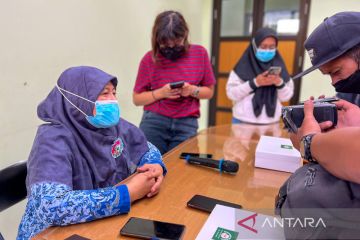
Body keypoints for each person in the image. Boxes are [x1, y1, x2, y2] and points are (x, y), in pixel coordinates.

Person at [17, 66, 167, 240]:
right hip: (51, 234)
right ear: (77, 100)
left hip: (99, 224)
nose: (112, 101)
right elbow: (51, 206)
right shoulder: (51, 139)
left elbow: (146, 147)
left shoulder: (109, 125)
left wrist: (154, 164)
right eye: (104, 94)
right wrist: (127, 193)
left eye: (114, 93)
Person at [290, 11, 360, 181]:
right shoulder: (348, 93)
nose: (334, 82)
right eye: (328, 75)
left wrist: (309, 142)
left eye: (336, 71)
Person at [133, 10, 216, 155]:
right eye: (165, 43)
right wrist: (161, 93)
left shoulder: (200, 54)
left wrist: (192, 90)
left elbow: (209, 91)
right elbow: (137, 98)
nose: (171, 46)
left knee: (182, 172)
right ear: (157, 39)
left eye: (176, 42)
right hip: (154, 122)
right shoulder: (149, 59)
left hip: (187, 123)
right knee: (148, 166)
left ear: (185, 34)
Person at [226, 27, 294, 124]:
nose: (267, 50)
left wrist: (278, 82)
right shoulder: (242, 66)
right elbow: (231, 93)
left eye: (272, 47)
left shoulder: (279, 66)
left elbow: (286, 97)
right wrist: (255, 83)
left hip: (271, 123)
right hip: (242, 121)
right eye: (263, 46)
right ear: (254, 46)